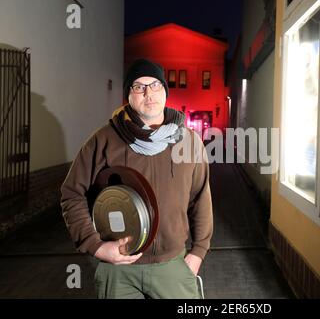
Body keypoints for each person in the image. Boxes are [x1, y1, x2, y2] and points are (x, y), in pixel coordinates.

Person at [60, 59, 213, 299]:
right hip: (118, 268)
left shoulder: (189, 142)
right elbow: (72, 194)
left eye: (155, 85)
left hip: (172, 266)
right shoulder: (104, 140)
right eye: (138, 87)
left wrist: (198, 252)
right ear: (128, 96)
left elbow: (200, 198)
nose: (148, 93)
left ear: (165, 90)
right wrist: (96, 246)